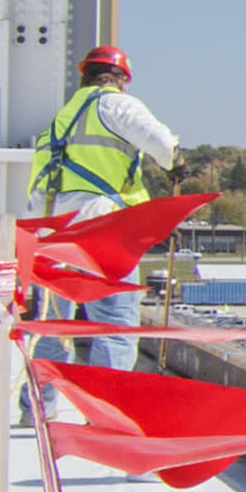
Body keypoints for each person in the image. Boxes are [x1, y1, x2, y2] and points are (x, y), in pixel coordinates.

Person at [27, 43, 177, 372]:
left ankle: (38, 409)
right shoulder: (115, 104)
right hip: (101, 229)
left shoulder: (61, 119)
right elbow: (165, 148)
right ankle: (106, 413)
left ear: (85, 76)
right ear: (121, 79)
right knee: (115, 326)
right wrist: (176, 164)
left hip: (51, 234)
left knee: (53, 325)